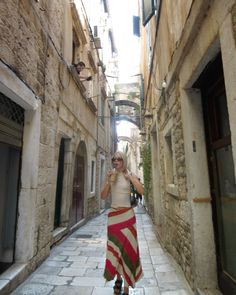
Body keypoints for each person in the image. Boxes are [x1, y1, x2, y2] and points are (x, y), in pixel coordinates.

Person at [101, 151, 144, 295]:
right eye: (114, 159)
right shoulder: (111, 175)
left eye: (118, 159)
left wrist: (130, 177)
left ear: (123, 161)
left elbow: (142, 191)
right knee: (115, 251)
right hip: (114, 218)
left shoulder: (129, 174)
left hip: (127, 217)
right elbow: (103, 196)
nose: (115, 161)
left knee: (128, 251)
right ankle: (118, 279)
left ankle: (126, 287)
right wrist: (108, 181)